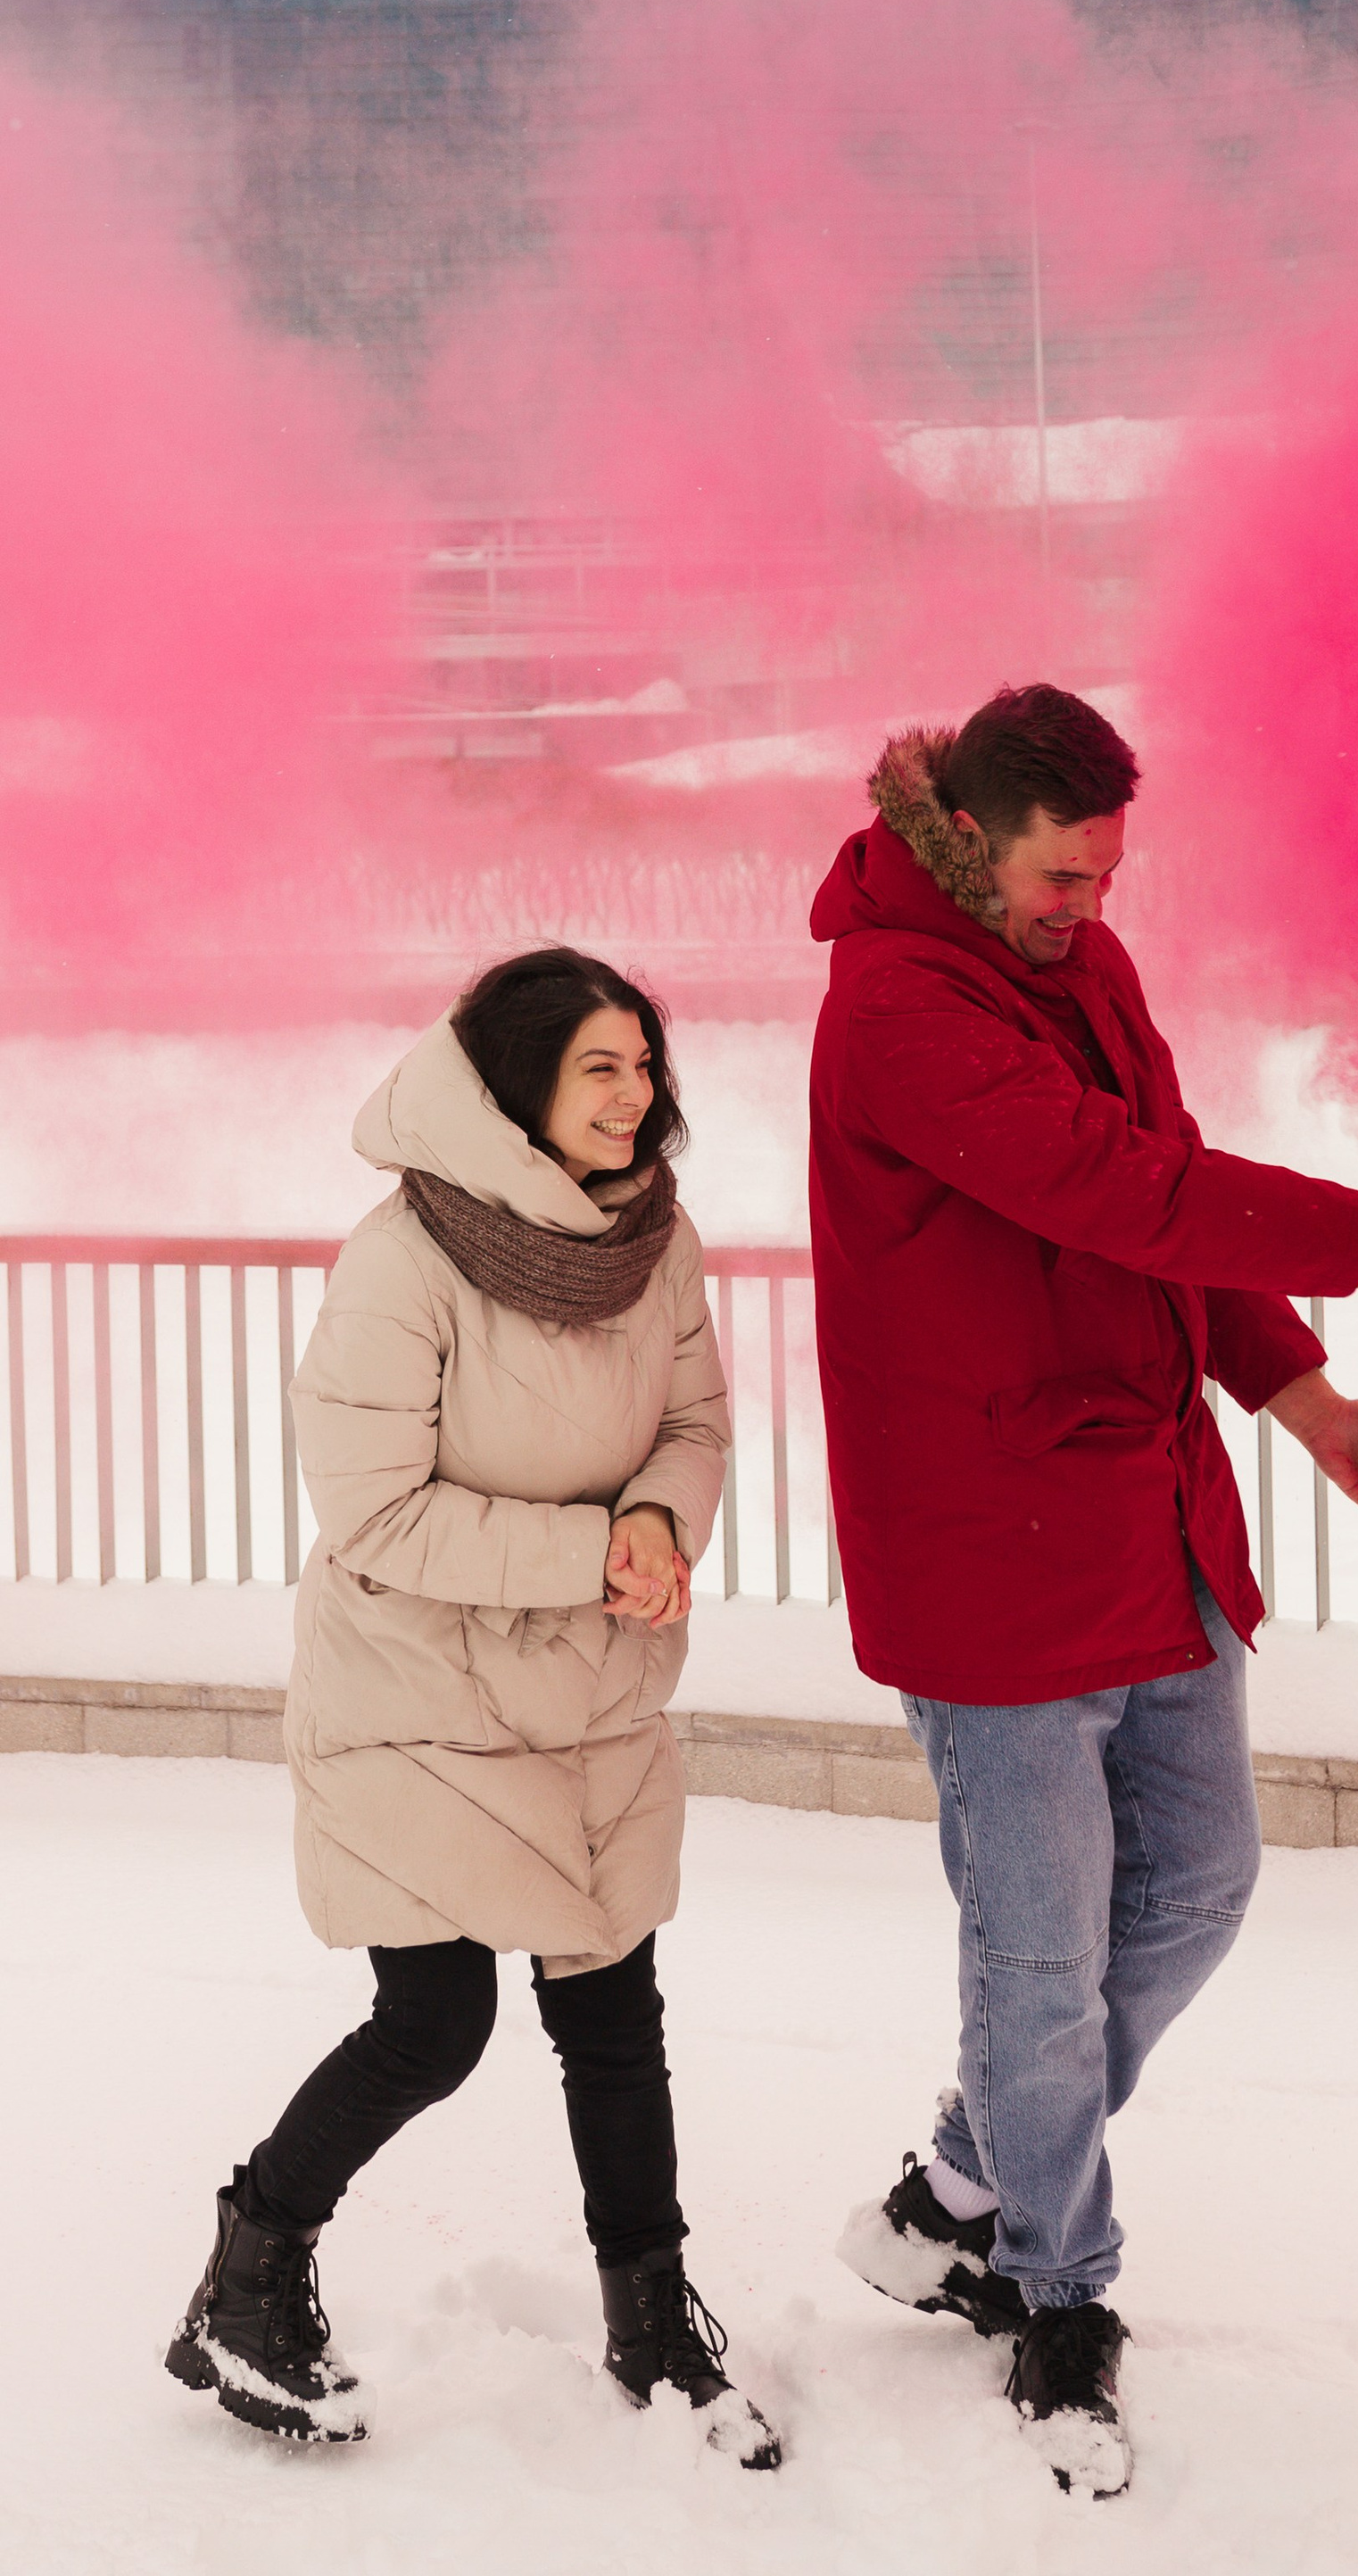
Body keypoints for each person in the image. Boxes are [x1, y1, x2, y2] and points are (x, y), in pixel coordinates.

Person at [816, 684, 1358, 2495]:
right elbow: (1106, 1187)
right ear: (966, 836)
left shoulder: (1082, 969)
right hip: (984, 1555)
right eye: (1059, 873)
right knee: (1033, 1957)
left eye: (1107, 874)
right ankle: (1054, 2296)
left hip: (1142, 1519)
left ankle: (963, 2177)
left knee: (1195, 1883)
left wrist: (1314, 1407)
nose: (1086, 903)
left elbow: (1165, 1199)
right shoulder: (893, 1006)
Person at [164, 946, 778, 2472]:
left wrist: (662, 1516)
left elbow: (695, 1419)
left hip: (590, 1692)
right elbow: (373, 1511)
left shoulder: (660, 1243)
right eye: (598, 1067)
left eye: (645, 1064)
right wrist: (597, 1548)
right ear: (517, 1087)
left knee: (612, 2006)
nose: (635, 1097)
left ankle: (652, 2320)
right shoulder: (404, 1256)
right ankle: (250, 2270)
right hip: (417, 1692)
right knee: (434, 2020)